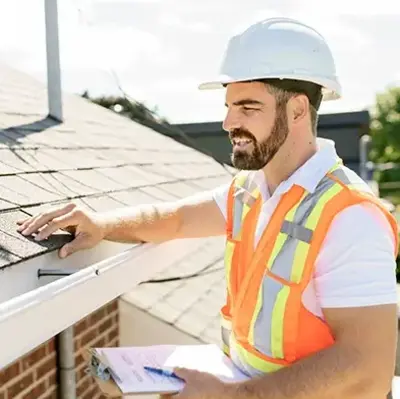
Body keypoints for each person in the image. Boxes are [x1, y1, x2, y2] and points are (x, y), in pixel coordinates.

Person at [17, 17, 399, 399]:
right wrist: (101, 223)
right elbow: (177, 220)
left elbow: (369, 367)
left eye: (247, 108)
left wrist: (234, 396)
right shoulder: (251, 191)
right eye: (229, 106)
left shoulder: (350, 216)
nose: (228, 122)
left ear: (298, 110)